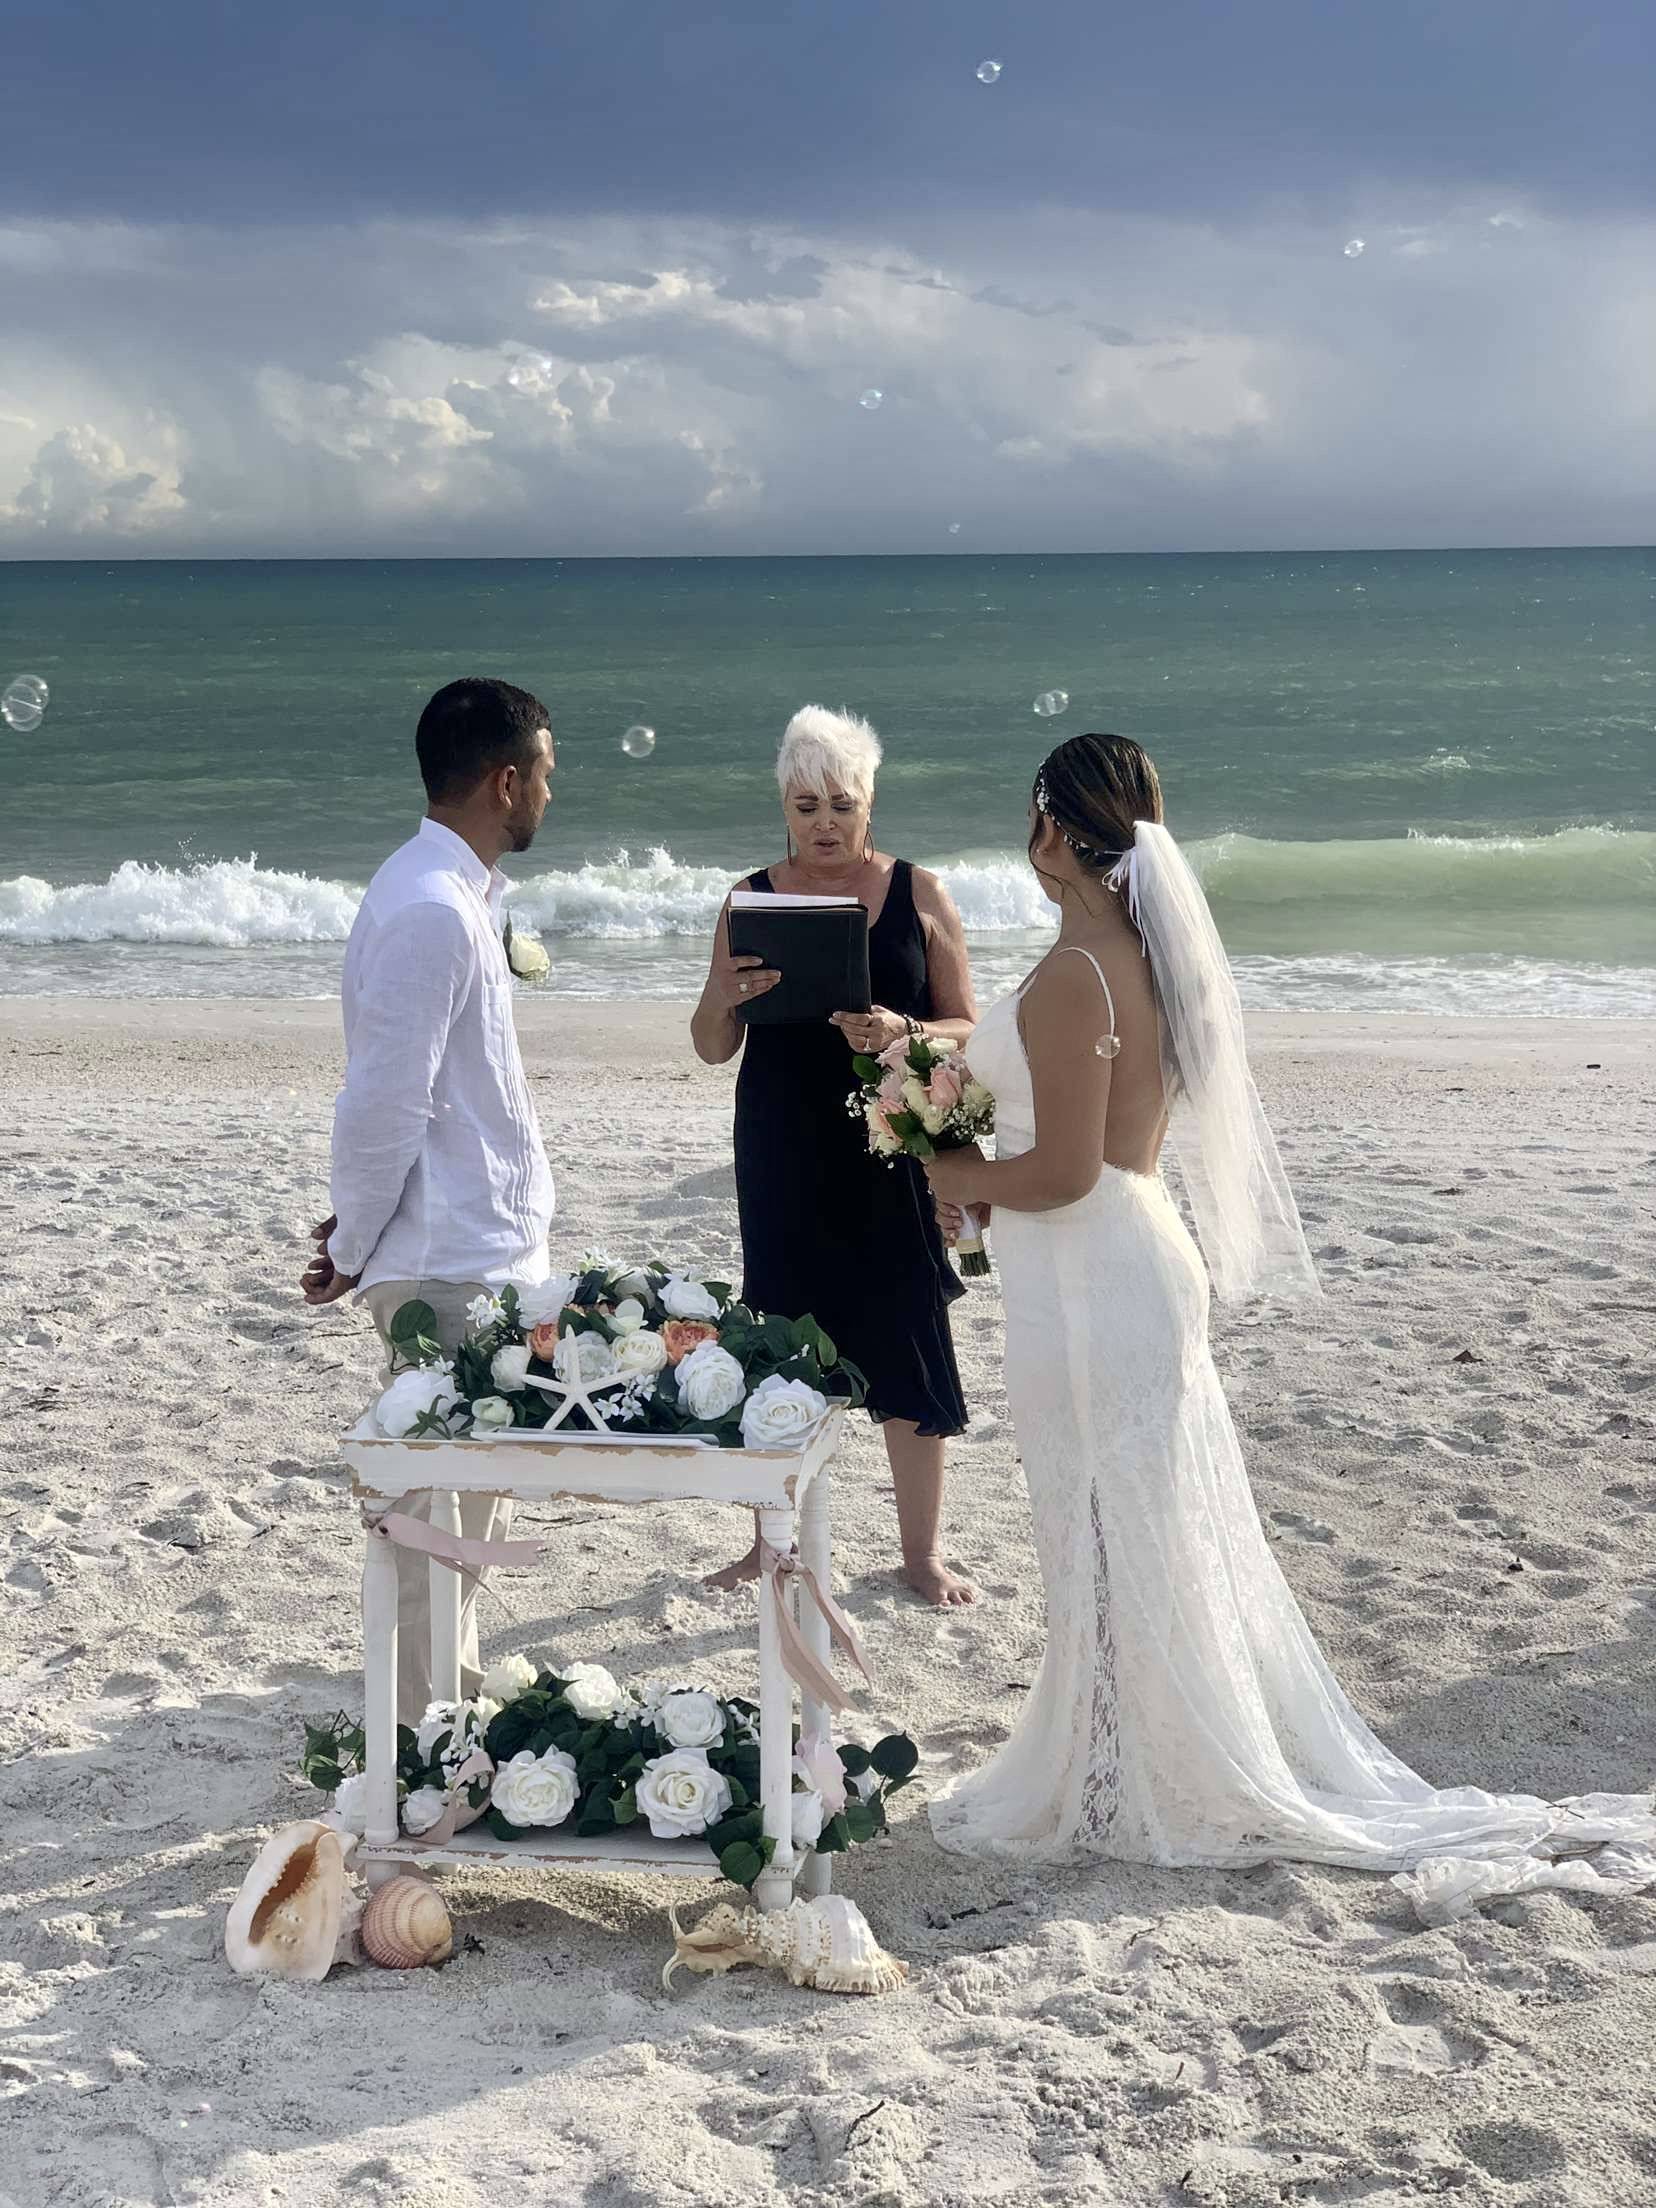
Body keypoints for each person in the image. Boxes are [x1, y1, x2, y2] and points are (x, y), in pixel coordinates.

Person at [922, 732, 1656, 1916]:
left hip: (1094, 1267)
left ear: (1055, 828)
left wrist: (950, 1170)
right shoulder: (1143, 958)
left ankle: (1125, 1775)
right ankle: (1117, 1757)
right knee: (1121, 1524)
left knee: (1107, 1524)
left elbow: (1060, 1170)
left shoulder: (1076, 975)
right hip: (1124, 1252)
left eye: (1033, 813)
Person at [301, 677, 558, 1721]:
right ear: (505, 781)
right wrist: (358, 1244)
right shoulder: (428, 911)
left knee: (467, 1523)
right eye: (546, 770)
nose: (553, 788)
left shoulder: (450, 895)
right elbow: (381, 1103)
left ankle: (447, 1718)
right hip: (445, 1262)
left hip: (473, 1249)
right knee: (431, 1529)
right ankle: (420, 1746)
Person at [692, 704, 978, 1606]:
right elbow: (708, 1044)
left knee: (905, 1332)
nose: (825, 821)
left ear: (870, 802)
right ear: (783, 802)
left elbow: (970, 1024)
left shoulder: (920, 893)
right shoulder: (748, 898)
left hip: (890, 1143)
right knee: (780, 1339)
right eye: (807, 802)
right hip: (783, 1143)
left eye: (842, 803)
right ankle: (771, 1546)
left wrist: (903, 1027)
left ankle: (920, 1555)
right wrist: (727, 995)